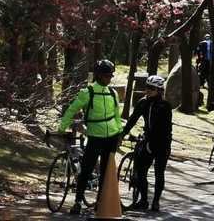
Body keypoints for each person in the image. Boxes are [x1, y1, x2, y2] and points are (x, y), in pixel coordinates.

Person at [59, 59, 123, 215]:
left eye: (111, 75)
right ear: (98, 75)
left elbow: (116, 115)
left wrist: (120, 132)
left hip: (112, 137)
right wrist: (62, 128)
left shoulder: (112, 93)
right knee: (86, 169)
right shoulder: (88, 92)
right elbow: (71, 110)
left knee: (107, 173)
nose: (109, 78)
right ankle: (78, 201)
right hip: (95, 136)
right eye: (106, 75)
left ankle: (101, 202)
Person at [120, 76, 172, 212]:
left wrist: (152, 141)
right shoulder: (143, 103)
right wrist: (122, 134)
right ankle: (143, 200)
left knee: (159, 172)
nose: (148, 90)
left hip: (162, 142)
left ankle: (156, 201)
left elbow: (164, 128)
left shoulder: (165, 106)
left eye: (151, 88)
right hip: (148, 140)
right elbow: (132, 120)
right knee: (141, 172)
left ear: (159, 90)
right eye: (147, 87)